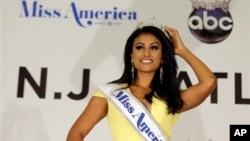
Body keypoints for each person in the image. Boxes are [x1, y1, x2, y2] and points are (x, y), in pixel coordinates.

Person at [66, 24, 217, 141]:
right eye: (139, 47)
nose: (146, 53)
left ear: (163, 56)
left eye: (154, 48)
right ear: (131, 55)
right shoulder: (110, 94)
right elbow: (75, 134)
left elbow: (209, 82)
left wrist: (181, 50)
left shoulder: (171, 98)